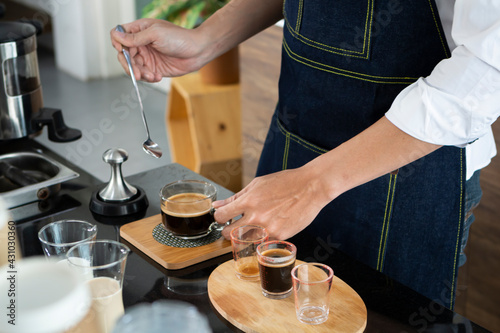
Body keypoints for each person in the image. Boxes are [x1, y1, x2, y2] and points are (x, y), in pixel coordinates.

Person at [111, 0, 500, 308]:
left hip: (405, 184)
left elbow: (486, 71)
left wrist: (314, 184)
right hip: (291, 151)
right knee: (265, 309)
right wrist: (203, 42)